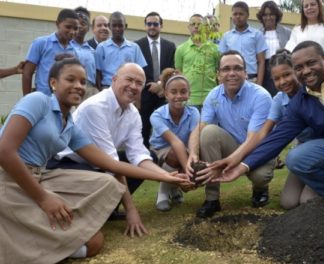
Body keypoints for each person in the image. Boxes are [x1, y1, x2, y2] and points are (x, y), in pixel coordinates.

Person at [0, 55, 190, 263]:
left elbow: (111, 164)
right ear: (53, 83)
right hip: (10, 179)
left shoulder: (69, 123)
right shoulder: (38, 101)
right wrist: (44, 199)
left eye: (82, 81)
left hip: (40, 176)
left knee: (96, 235)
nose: (79, 86)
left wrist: (167, 178)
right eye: (70, 80)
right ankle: (38, 239)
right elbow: (4, 151)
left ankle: (61, 229)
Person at [213, 41, 324, 234]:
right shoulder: (299, 102)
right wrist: (241, 167)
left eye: (311, 63)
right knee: (296, 158)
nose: (305, 71)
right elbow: (277, 139)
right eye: (299, 67)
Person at [47, 63, 193, 237]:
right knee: (109, 177)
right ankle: (84, 212)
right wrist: (132, 209)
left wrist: (168, 176)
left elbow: (138, 156)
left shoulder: (132, 113)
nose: (133, 86)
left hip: (100, 164)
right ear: (114, 80)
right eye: (129, 79)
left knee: (150, 158)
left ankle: (108, 209)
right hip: (67, 164)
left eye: (139, 83)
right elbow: (113, 165)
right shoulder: (95, 107)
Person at [210, 50, 317, 209]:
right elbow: (263, 134)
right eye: (277, 79)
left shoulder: (313, 92)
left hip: (321, 149)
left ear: (296, 70)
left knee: (307, 201)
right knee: (288, 202)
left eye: (287, 74)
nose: (283, 81)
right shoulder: (279, 100)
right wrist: (238, 163)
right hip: (302, 154)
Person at [188, 50, 274, 218]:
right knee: (208, 132)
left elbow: (254, 138)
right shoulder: (213, 96)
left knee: (260, 176)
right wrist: (192, 153)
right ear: (218, 74)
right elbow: (200, 127)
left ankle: (260, 189)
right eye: (226, 69)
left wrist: (229, 162)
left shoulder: (261, 96)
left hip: (258, 149)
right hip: (233, 145)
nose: (232, 73)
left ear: (245, 73)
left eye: (237, 68)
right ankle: (212, 199)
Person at [149, 69, 200, 211]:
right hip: (160, 153)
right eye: (173, 92)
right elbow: (175, 142)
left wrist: (192, 164)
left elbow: (193, 138)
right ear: (166, 94)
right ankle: (163, 193)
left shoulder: (194, 112)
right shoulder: (157, 115)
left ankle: (174, 188)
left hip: (182, 149)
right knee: (175, 154)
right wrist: (188, 173)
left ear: (189, 94)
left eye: (183, 92)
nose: (179, 96)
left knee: (193, 156)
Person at [135, 11, 176, 147]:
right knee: (143, 127)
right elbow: (136, 69)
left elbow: (172, 68)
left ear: (161, 26)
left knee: (163, 127)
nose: (152, 26)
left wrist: (160, 85)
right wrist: (149, 84)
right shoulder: (137, 46)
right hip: (144, 93)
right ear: (145, 26)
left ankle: (161, 156)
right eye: (149, 24)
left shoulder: (170, 46)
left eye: (155, 24)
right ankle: (143, 156)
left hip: (163, 94)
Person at [22, 9, 78, 95]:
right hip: (42, 98)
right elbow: (27, 73)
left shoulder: (75, 50)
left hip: (64, 101)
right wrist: (26, 99)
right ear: (57, 24)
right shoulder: (41, 43)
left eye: (76, 28)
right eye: (68, 27)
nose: (72, 32)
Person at [175, 14, 220, 109]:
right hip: (189, 99)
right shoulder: (180, 49)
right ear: (188, 27)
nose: (196, 26)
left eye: (199, 24)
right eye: (193, 24)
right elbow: (179, 74)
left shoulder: (215, 48)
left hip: (211, 97)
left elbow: (219, 73)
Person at [219, 1, 268, 85]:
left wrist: (259, 84)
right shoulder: (226, 36)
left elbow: (261, 61)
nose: (238, 17)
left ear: (247, 15)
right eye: (235, 14)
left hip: (251, 79)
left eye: (241, 14)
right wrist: (221, 83)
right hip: (232, 80)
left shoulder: (257, 35)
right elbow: (221, 61)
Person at [95, 11, 147, 90]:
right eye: (114, 26)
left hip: (128, 88)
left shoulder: (134, 47)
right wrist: (100, 90)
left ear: (125, 26)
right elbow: (98, 72)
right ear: (109, 26)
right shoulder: (102, 47)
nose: (117, 29)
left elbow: (140, 71)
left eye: (120, 26)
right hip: (107, 87)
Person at [284, 0, 324, 64]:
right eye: (306, 6)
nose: (309, 8)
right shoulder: (297, 30)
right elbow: (290, 52)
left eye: (313, 4)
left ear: (319, 6)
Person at [256, 0, 292, 96]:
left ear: (276, 16)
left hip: (282, 68)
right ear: (261, 17)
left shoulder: (287, 32)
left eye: (271, 14)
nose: (268, 17)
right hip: (264, 72)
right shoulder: (257, 34)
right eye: (265, 15)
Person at [72, 7, 99, 99]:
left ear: (88, 28)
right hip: (70, 89)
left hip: (89, 91)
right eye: (77, 23)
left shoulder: (93, 51)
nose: (79, 26)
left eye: (83, 24)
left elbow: (97, 75)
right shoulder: (65, 46)